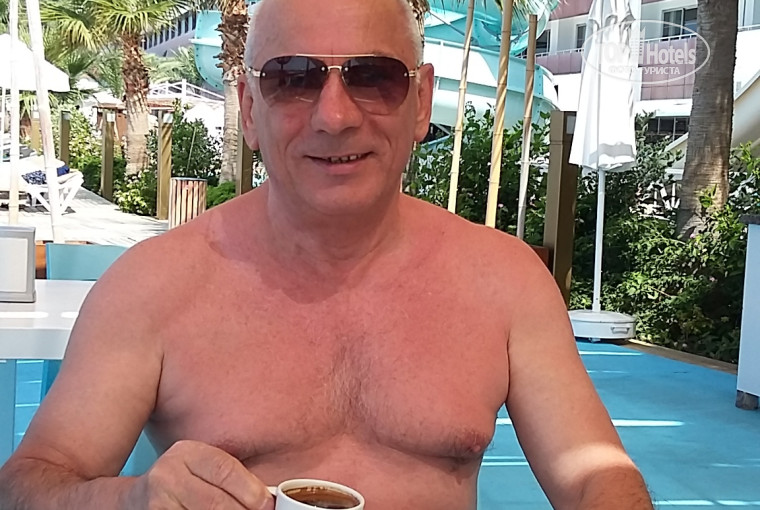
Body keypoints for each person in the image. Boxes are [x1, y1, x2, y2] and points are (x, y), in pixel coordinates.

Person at [0, 0, 654, 508]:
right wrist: (131, 500)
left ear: (421, 102)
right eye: (293, 80)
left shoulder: (504, 282)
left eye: (374, 77)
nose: (335, 116)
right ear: (248, 108)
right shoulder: (152, 288)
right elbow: (29, 483)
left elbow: (596, 478)